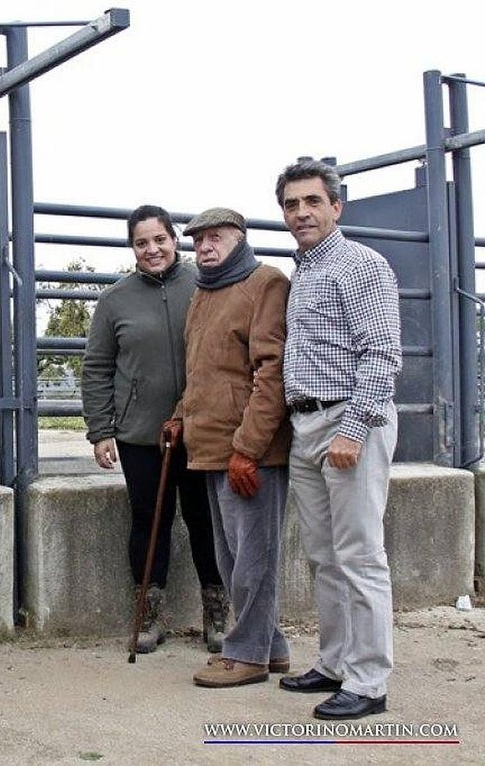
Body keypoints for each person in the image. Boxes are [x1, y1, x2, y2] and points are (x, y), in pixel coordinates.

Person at [275, 159, 402, 721]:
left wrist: (352, 428)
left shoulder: (361, 266)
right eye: (291, 204)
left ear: (336, 206)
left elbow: (381, 354)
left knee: (360, 556)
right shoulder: (303, 269)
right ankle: (333, 663)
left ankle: (369, 681)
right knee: (322, 555)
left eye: (311, 201)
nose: (301, 212)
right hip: (306, 425)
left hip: (351, 423)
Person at [82, 204, 228, 655]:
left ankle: (217, 611)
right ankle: (149, 612)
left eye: (159, 239)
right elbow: (97, 368)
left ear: (174, 239)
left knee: (207, 523)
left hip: (201, 431)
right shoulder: (114, 301)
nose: (152, 249)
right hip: (141, 436)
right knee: (150, 522)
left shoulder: (204, 286)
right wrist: (101, 429)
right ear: (132, 248)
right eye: (142, 242)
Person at [160, 207, 293, 688]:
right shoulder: (203, 292)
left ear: (240, 239)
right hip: (210, 446)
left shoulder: (266, 283)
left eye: (216, 238)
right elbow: (201, 374)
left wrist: (249, 448)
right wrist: (179, 417)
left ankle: (247, 655)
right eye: (198, 241)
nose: (206, 247)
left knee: (253, 558)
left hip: (248, 451)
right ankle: (270, 647)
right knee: (233, 559)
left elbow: (271, 371)